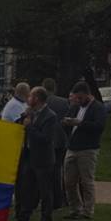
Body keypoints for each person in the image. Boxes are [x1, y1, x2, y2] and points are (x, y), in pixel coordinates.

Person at [11, 87, 59, 221]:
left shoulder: (50, 116)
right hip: (29, 157)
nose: (28, 99)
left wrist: (30, 127)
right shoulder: (30, 113)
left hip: (43, 160)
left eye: (31, 96)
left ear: (37, 98)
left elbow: (45, 138)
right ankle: (23, 217)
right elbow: (18, 125)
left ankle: (46, 220)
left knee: (44, 191)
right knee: (26, 188)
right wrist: (23, 117)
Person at [62, 81, 106, 220]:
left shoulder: (98, 108)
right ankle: (75, 208)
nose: (78, 100)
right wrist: (66, 122)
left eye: (80, 98)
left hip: (88, 148)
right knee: (69, 181)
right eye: (77, 98)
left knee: (86, 181)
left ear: (88, 95)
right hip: (72, 147)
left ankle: (88, 210)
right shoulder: (75, 107)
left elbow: (99, 126)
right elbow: (66, 121)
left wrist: (80, 123)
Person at [43, 78, 70, 209]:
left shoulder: (42, 103)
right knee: (59, 170)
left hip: (46, 142)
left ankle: (49, 198)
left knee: (46, 172)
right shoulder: (64, 102)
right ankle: (61, 198)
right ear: (54, 88)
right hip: (61, 140)